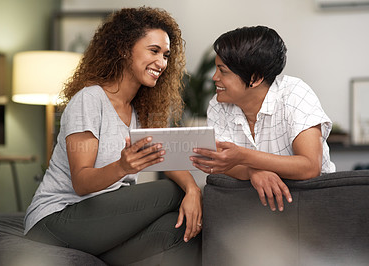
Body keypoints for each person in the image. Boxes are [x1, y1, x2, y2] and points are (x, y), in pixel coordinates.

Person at [24, 7, 202, 266]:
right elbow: (82, 182)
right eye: (153, 51)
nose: (162, 63)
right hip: (55, 221)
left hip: (99, 225)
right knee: (170, 192)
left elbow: (169, 160)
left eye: (166, 55)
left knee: (180, 229)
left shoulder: (141, 111)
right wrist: (122, 166)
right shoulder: (90, 99)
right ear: (123, 49)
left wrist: (194, 190)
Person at [191, 25, 335, 212]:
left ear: (255, 78)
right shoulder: (218, 106)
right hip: (253, 206)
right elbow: (220, 163)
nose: (214, 77)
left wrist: (244, 157)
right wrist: (252, 171)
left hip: (310, 200)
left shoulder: (294, 94)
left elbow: (309, 167)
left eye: (223, 71)